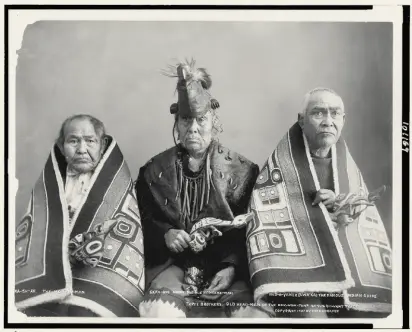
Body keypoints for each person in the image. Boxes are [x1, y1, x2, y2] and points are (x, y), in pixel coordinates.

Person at [136, 60, 269, 318]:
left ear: (214, 120)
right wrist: (165, 234)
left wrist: (231, 266)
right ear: (176, 122)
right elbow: (141, 218)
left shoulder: (243, 171)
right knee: (158, 313)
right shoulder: (153, 171)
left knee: (255, 317)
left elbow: (254, 227)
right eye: (186, 120)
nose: (194, 128)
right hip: (172, 266)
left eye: (201, 119)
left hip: (227, 268)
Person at [246, 88, 392, 318]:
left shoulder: (346, 167)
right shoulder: (280, 166)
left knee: (365, 316)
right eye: (318, 113)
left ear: (343, 120)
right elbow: (267, 216)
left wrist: (343, 208)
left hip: (343, 269)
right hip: (299, 274)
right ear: (301, 121)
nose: (328, 121)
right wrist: (319, 218)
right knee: (314, 319)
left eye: (335, 114)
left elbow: (363, 219)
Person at [15, 114, 145, 317]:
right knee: (35, 311)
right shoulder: (51, 184)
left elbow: (121, 237)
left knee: (84, 313)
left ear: (102, 146)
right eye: (73, 141)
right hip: (54, 267)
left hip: (94, 272)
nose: (82, 149)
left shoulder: (117, 186)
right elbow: (36, 233)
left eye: (90, 141)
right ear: (60, 146)